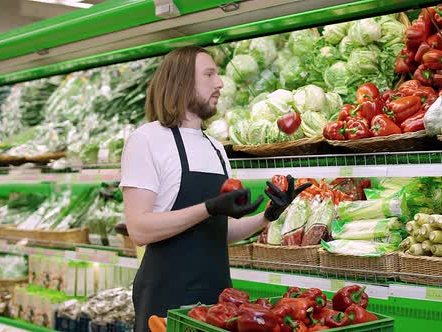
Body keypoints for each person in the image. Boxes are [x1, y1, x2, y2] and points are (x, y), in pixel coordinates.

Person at [119, 46, 309, 332]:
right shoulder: (147, 140)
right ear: (181, 81)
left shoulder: (215, 147)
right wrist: (208, 208)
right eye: (209, 74)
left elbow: (221, 232)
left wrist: (269, 216)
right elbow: (139, 229)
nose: (219, 83)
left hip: (218, 297)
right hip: (165, 297)